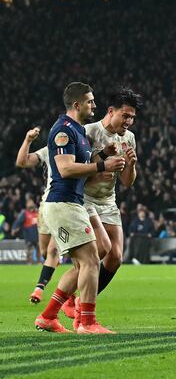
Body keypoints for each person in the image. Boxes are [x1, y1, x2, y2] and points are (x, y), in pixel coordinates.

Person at [34, 82, 125, 333]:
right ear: (77, 105)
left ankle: (48, 316)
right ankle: (87, 322)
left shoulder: (79, 131)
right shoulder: (63, 130)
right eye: (90, 101)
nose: (94, 105)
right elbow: (65, 168)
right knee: (90, 262)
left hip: (73, 203)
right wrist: (102, 167)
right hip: (63, 204)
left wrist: (103, 155)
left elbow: (85, 162)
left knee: (100, 251)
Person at [83, 87, 141, 302]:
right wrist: (103, 163)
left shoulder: (129, 138)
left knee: (115, 257)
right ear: (110, 111)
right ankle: (69, 299)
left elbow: (127, 182)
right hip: (84, 199)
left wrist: (131, 166)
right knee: (97, 251)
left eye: (132, 118)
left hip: (108, 201)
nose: (128, 122)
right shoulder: (89, 132)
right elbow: (74, 169)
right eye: (125, 115)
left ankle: (82, 300)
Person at [16, 126, 61, 304]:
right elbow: (22, 162)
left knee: (52, 250)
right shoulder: (50, 149)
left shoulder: (82, 146)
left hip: (65, 204)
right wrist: (28, 140)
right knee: (45, 252)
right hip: (46, 205)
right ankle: (65, 287)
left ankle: (39, 288)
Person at [12, 199, 40, 264]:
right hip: (28, 235)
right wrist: (14, 229)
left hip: (37, 235)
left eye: (31, 202)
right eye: (29, 203)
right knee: (28, 250)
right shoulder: (25, 213)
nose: (30, 204)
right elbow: (18, 222)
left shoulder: (38, 212)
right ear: (26, 205)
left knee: (39, 250)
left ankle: (39, 262)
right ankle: (29, 262)